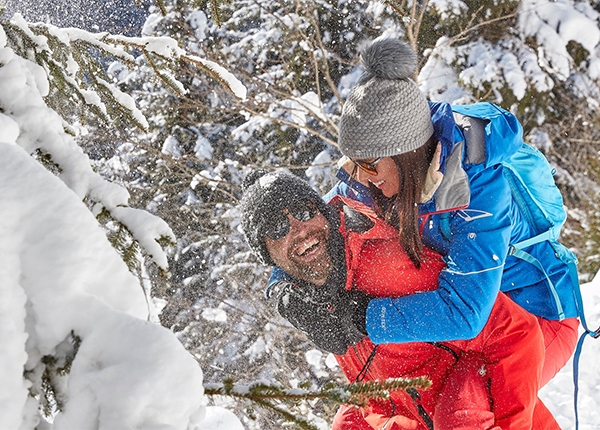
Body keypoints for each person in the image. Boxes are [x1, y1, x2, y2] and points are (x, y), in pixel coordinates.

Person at [333, 37, 580, 389]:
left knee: (469, 410)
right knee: (411, 405)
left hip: (535, 314)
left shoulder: (478, 186)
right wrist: (285, 288)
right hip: (478, 325)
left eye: (368, 165)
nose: (359, 178)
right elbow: (314, 222)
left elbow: (465, 311)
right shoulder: (379, 176)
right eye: (353, 163)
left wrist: (364, 315)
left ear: (406, 153)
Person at [239, 169, 557, 430]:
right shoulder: (316, 304)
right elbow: (391, 391)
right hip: (428, 409)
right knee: (349, 422)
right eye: (279, 228)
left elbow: (517, 332)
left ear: (322, 213)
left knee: (457, 416)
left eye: (305, 212)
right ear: (266, 254)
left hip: (486, 399)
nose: (301, 229)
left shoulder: (390, 268)